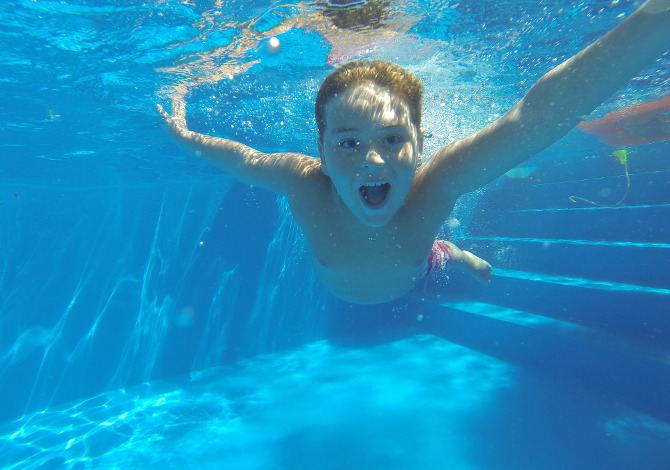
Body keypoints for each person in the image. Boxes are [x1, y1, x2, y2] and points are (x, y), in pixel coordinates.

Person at [158, 0, 670, 304]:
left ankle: (457, 254)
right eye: (349, 143)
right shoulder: (302, 179)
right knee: (429, 248)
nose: (372, 160)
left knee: (433, 252)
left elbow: (532, 119)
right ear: (321, 148)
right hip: (400, 267)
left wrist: (654, 21)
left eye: (393, 138)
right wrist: (184, 136)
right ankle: (454, 252)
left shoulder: (437, 185)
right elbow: (241, 158)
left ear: (421, 143)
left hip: (414, 271)